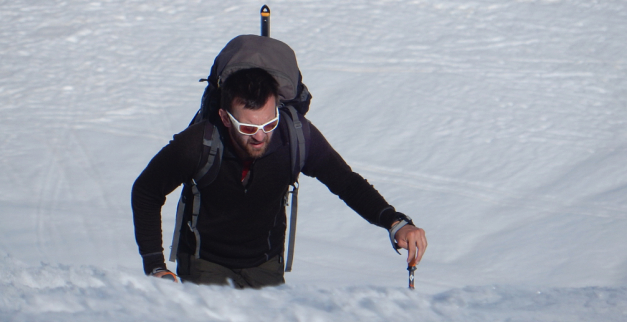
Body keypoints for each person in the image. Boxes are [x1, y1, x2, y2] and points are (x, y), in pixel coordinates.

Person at [131, 36, 427, 288]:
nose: (260, 136)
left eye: (269, 123)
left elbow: (346, 183)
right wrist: (156, 266)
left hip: (266, 268)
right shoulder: (198, 142)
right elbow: (146, 192)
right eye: (247, 128)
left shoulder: (295, 136)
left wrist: (395, 222)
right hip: (204, 266)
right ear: (224, 117)